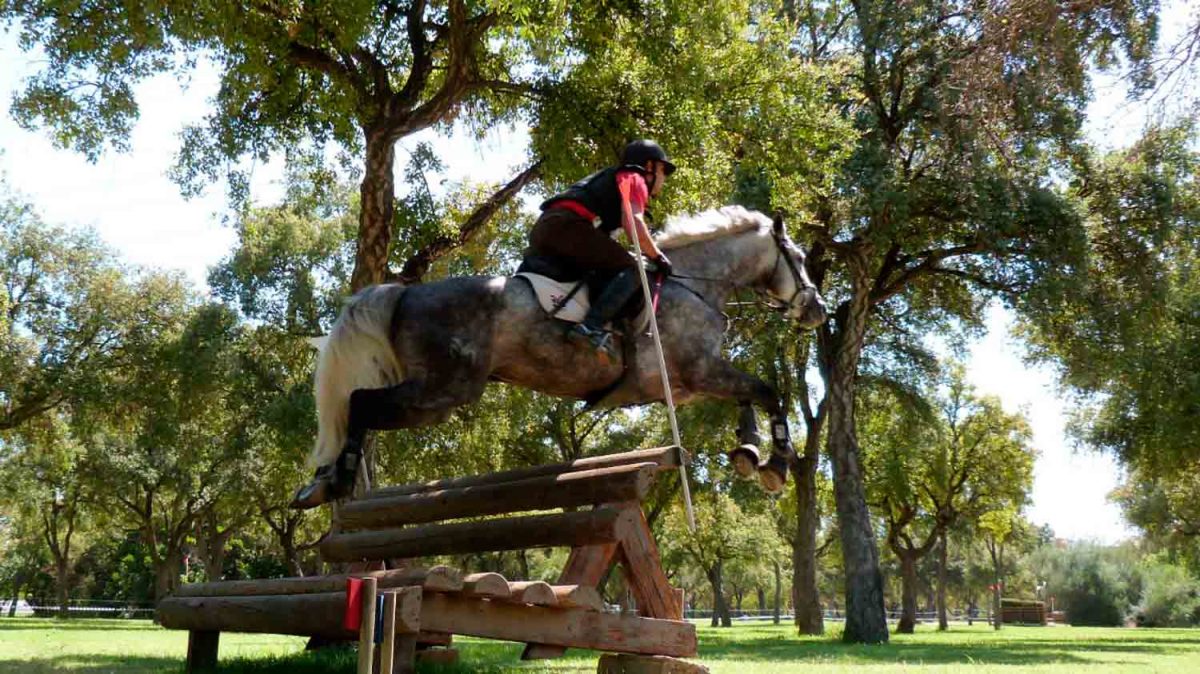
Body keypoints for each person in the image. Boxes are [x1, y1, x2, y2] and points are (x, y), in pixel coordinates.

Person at [525, 139, 676, 361]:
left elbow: (606, 239)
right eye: (663, 172)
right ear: (650, 167)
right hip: (567, 227)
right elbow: (633, 223)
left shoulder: (612, 180)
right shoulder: (635, 178)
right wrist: (658, 257)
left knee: (609, 269)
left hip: (546, 228)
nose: (663, 180)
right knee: (633, 269)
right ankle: (590, 327)